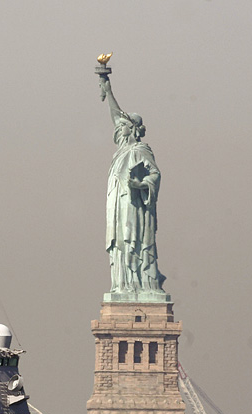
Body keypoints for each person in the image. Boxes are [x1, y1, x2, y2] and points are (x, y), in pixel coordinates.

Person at [98, 75, 165, 295]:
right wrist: (108, 91)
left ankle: (139, 283)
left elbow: (155, 174)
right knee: (120, 244)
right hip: (118, 207)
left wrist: (140, 184)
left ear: (133, 128)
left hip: (134, 207)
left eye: (123, 126)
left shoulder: (139, 150)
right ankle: (122, 284)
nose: (118, 127)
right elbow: (116, 116)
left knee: (132, 242)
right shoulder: (121, 151)